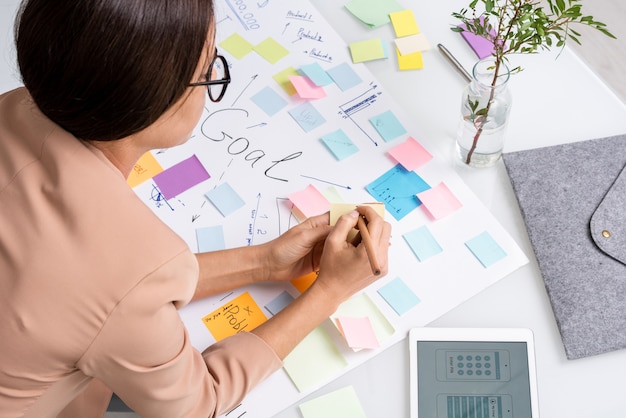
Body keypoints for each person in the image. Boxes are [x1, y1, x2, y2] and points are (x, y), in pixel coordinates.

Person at [0, 0, 392, 417]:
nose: (210, 84)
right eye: (209, 71)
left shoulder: (13, 105)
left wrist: (264, 262)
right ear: (154, 97)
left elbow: (97, 292)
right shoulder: (133, 265)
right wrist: (329, 292)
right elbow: (196, 405)